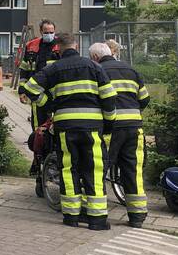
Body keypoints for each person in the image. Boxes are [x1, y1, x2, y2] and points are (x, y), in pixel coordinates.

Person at [21, 33, 117, 230]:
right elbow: (109, 97)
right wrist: (108, 123)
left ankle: (71, 216)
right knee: (94, 168)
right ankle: (97, 219)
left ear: (58, 48)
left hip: (65, 126)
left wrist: (50, 106)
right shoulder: (94, 66)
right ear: (77, 45)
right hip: (91, 126)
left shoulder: (53, 68)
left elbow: (30, 88)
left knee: (68, 168)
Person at [90, 42, 151, 227]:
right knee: (132, 170)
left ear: (94, 57)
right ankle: (137, 216)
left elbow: (95, 100)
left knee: (99, 170)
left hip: (111, 129)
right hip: (134, 128)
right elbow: (145, 99)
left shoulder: (97, 71)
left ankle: (97, 214)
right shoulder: (131, 70)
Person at [18, 20, 61, 131]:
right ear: (41, 31)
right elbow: (24, 69)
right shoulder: (31, 46)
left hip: (55, 90)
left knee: (57, 122)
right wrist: (22, 90)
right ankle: (39, 142)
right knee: (38, 121)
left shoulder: (60, 46)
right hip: (37, 90)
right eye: (46, 32)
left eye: (52, 32)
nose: (49, 35)